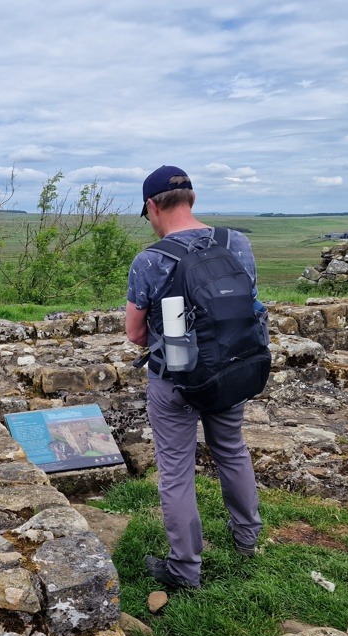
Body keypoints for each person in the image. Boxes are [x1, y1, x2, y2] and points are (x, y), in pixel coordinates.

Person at [125, 165, 263, 590]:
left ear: (152, 206)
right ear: (192, 199)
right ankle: (247, 539)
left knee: (176, 470)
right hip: (231, 370)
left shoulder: (150, 259)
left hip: (175, 380)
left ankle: (185, 570)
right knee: (232, 451)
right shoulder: (235, 242)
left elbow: (134, 334)